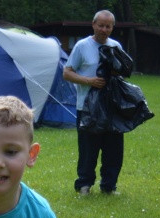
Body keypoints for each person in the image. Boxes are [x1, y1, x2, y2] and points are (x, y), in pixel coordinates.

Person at [63, 9, 124, 195]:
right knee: (88, 149)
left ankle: (109, 186)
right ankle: (84, 185)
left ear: (112, 28)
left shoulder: (116, 46)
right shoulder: (82, 46)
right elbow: (67, 73)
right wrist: (89, 81)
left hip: (111, 107)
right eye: (101, 25)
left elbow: (123, 71)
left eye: (108, 26)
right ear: (93, 25)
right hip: (87, 108)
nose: (104, 30)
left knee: (113, 150)